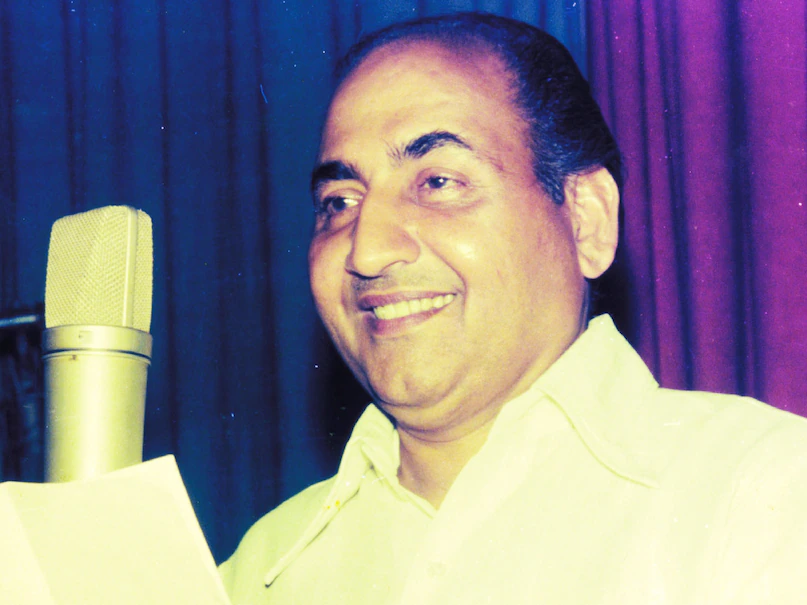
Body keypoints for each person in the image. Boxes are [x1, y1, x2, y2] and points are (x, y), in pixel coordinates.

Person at [219, 12, 807, 604]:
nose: (366, 249)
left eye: (438, 182)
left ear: (586, 219)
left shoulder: (756, 495)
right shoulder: (256, 573)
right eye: (340, 201)